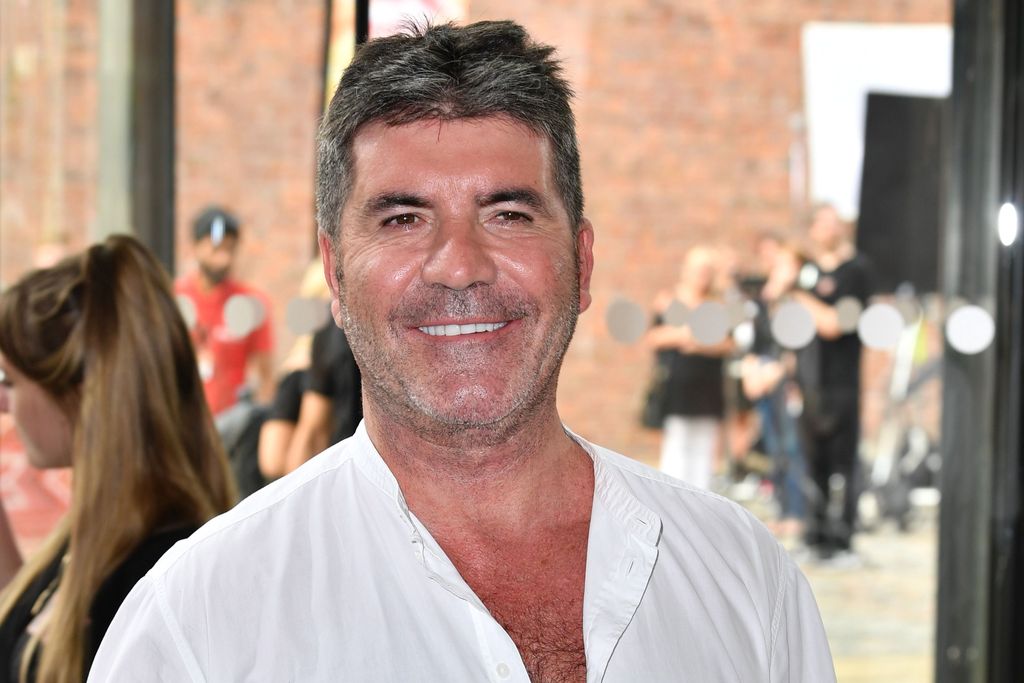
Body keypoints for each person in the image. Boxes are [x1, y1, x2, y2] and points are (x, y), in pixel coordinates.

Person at [90, 21, 834, 682]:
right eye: (404, 217)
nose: (459, 264)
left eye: (508, 213)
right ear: (336, 276)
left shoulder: (744, 578)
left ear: (582, 261)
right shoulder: (200, 625)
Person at [0, 235, 236, 683]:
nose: (3, 404)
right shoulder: (102, 535)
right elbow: (24, 633)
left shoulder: (151, 574)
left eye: (9, 380)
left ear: (76, 394)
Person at [792, 204, 872, 561]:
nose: (829, 228)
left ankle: (842, 540)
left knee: (842, 462)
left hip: (842, 383)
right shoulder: (805, 274)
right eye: (822, 222)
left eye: (834, 222)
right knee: (812, 462)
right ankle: (815, 535)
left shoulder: (855, 272)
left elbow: (834, 323)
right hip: (809, 382)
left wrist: (798, 298)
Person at [645, 247, 732, 489]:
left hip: (708, 389)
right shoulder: (670, 299)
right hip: (677, 388)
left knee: (704, 452)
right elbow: (655, 337)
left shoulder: (715, 304)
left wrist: (687, 332)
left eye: (707, 271)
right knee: (677, 448)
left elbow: (725, 342)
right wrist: (695, 335)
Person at [175, 206, 275, 416]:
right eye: (215, 248)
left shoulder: (251, 303)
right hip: (180, 422)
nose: (223, 259)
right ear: (196, 247)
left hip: (230, 427)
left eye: (230, 249)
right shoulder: (173, 299)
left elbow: (265, 374)